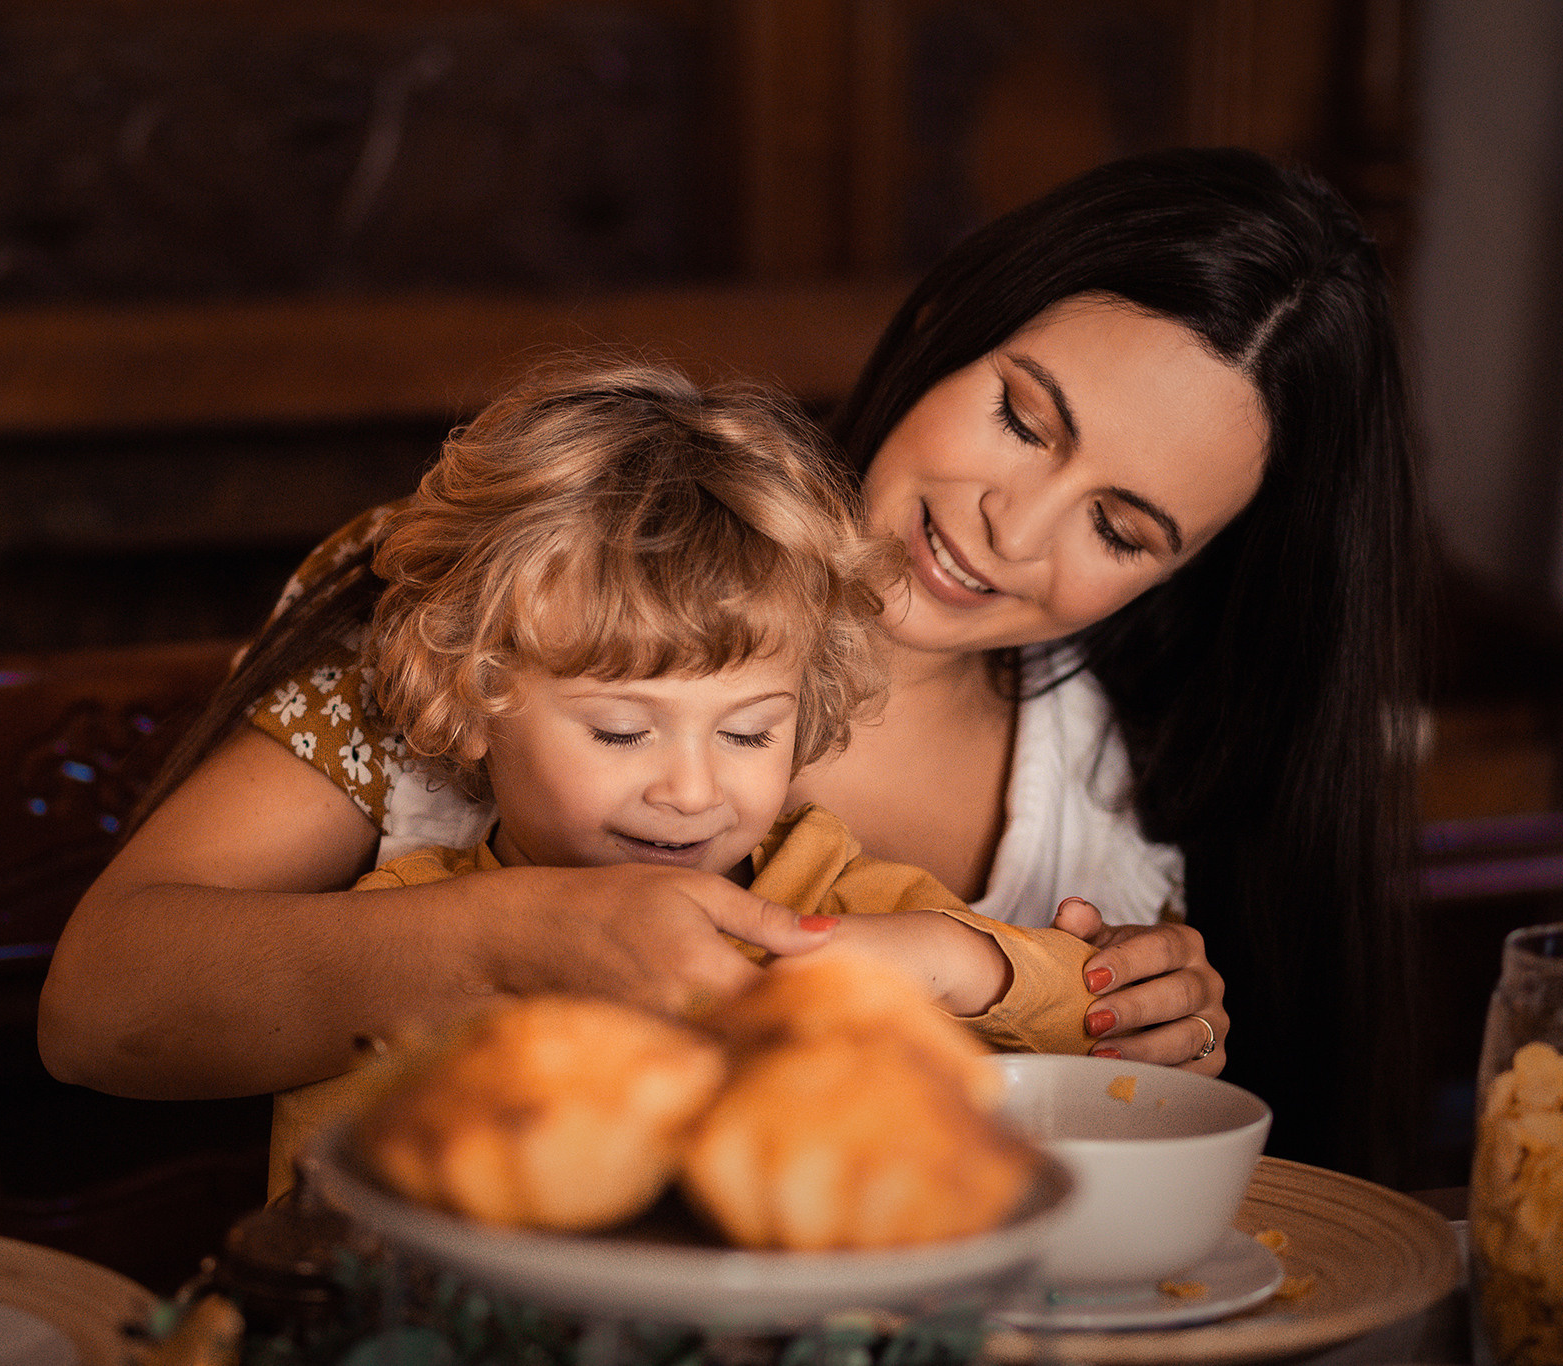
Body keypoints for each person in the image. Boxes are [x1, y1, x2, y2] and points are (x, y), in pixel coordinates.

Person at [40, 145, 1425, 1182]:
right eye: (1021, 418)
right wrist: (522, 936)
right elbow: (100, 1010)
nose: (1014, 526)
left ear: (1186, 573)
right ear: (946, 326)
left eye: (1120, 529)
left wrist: (1151, 1039)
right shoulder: (545, 579)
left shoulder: (1119, 796)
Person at [259, 359, 1101, 1195]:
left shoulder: (827, 892)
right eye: (622, 732)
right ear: (475, 700)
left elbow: (1087, 1026)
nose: (692, 793)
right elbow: (321, 1205)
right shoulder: (405, 932)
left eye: (747, 732)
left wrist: (956, 959)